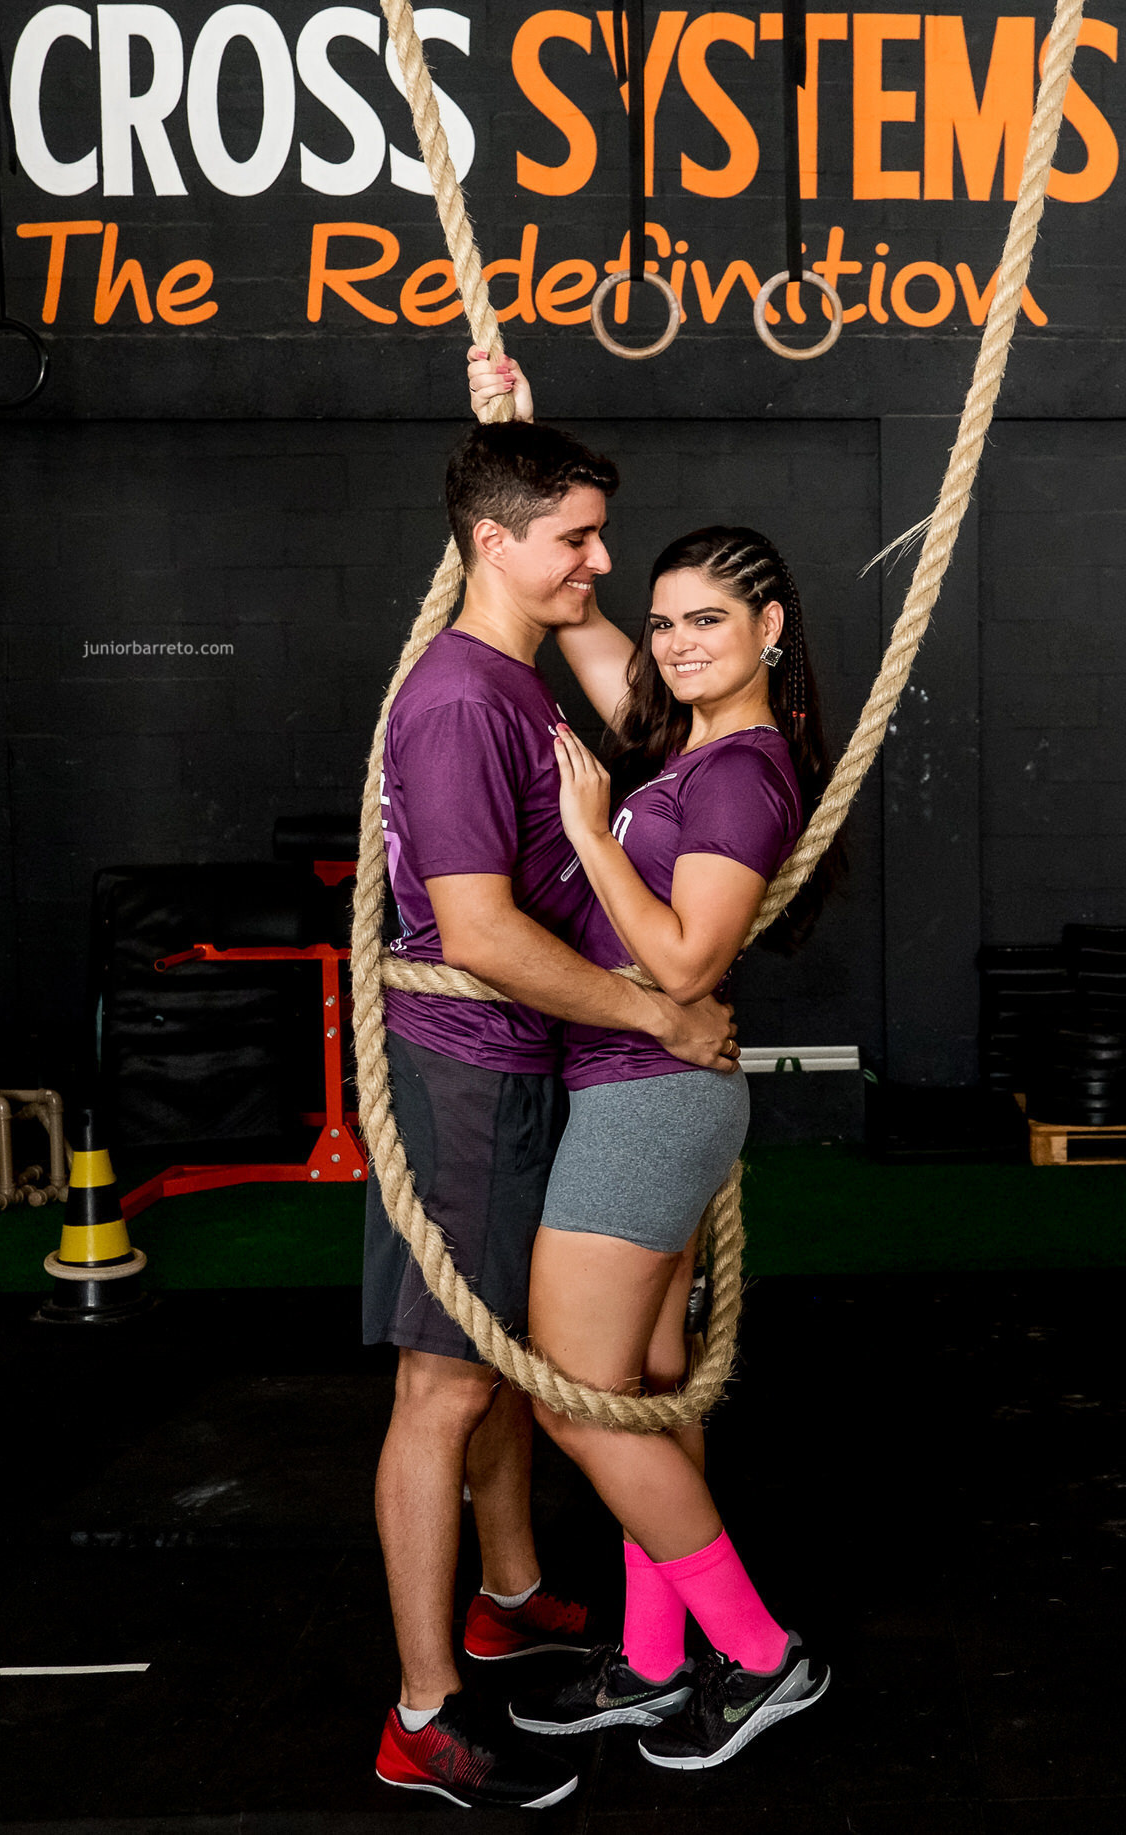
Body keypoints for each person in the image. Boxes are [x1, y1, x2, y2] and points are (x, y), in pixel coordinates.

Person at [364, 412, 741, 1808]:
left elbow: (621, 673)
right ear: (492, 543)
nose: (598, 560)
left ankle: (509, 1598)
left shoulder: (517, 681)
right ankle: (423, 1715)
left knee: (511, 1361)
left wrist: (503, 402)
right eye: (576, 540)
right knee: (445, 1385)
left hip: (528, 1068)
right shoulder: (463, 699)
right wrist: (660, 1015)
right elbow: (476, 932)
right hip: (467, 1073)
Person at [468, 350, 837, 1771]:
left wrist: (581, 833)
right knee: (643, 1384)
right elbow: (586, 630)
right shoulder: (685, 745)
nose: (675, 644)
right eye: (668, 621)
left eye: (707, 621)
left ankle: (761, 1653)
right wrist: (514, 440)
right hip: (637, 1097)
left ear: (769, 627)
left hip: (650, 1104)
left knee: (575, 1402)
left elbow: (683, 966)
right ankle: (652, 1660)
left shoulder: (740, 774)